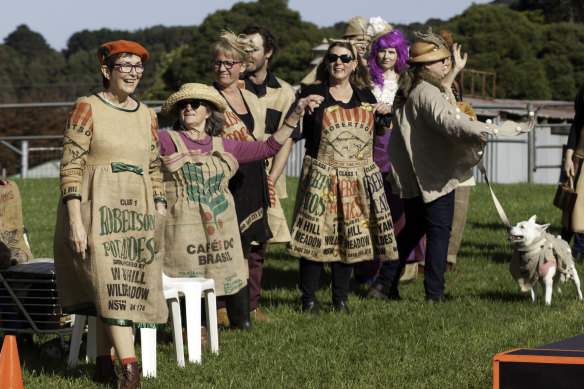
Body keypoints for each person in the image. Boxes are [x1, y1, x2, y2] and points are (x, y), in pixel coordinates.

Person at [368, 31, 531, 303]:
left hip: (415, 173)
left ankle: (383, 286)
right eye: (441, 60)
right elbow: (451, 122)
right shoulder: (427, 92)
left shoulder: (410, 88)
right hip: (432, 175)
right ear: (426, 66)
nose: (446, 64)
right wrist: (490, 129)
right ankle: (434, 295)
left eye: (446, 60)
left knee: (413, 229)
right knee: (439, 232)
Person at [158, 83, 318, 330]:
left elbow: (268, 148)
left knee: (225, 268)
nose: (188, 108)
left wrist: (294, 116)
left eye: (195, 104)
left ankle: (240, 323)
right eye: (183, 105)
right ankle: (195, 326)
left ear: (209, 112)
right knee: (188, 272)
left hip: (219, 226)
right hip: (183, 226)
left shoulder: (223, 145)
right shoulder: (167, 140)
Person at [54, 40, 167, 388]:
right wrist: (75, 221)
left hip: (137, 212)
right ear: (107, 71)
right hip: (95, 206)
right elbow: (70, 166)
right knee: (110, 284)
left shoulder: (148, 114)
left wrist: (159, 206)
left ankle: (104, 365)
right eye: (126, 66)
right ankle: (130, 372)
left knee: (122, 286)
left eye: (138, 66)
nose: (133, 72)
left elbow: (154, 166)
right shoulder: (87, 107)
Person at [288, 40, 399, 315]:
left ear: (353, 64)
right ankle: (309, 301)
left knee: (350, 237)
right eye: (333, 58)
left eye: (345, 58)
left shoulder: (366, 97)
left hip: (356, 178)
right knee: (314, 238)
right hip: (320, 175)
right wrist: (301, 108)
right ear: (326, 63)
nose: (339, 62)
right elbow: (295, 131)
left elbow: (382, 133)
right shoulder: (313, 94)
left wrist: (386, 113)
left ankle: (340, 300)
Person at [353, 20, 426, 285]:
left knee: (396, 211)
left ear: (400, 55)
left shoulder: (408, 82)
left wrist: (392, 111)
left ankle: (393, 270)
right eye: (382, 50)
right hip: (367, 149)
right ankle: (364, 270)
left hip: (397, 150)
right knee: (366, 210)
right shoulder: (365, 79)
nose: (386, 56)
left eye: (392, 51)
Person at [238, 24, 301, 323]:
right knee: (229, 242)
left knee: (258, 245)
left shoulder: (285, 92)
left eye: (253, 48)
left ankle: (251, 306)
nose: (246, 54)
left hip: (267, 176)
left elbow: (286, 137)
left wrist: (272, 180)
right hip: (234, 175)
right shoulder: (229, 87)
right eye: (242, 48)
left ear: (269, 52)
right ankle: (225, 308)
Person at [300, 16, 370, 88]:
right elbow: (306, 84)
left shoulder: (370, 65)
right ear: (347, 40)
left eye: (368, 42)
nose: (364, 46)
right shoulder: (331, 61)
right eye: (359, 41)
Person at [562, 81, 584, 262]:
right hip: (581, 158)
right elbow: (577, 125)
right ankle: (577, 249)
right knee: (575, 206)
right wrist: (569, 157)